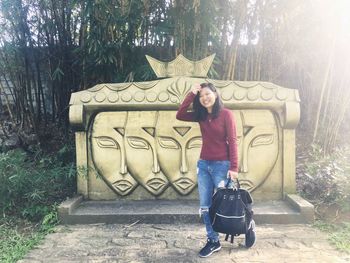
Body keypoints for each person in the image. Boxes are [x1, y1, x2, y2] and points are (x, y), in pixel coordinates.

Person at [176, 82, 239, 258]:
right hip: (203, 165)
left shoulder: (227, 114)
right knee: (205, 207)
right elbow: (180, 114)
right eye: (201, 96)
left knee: (224, 205)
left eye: (207, 94)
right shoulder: (201, 116)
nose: (204, 98)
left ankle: (247, 225)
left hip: (222, 165)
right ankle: (213, 240)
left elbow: (233, 141)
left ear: (215, 94)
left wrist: (234, 167)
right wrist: (191, 93)